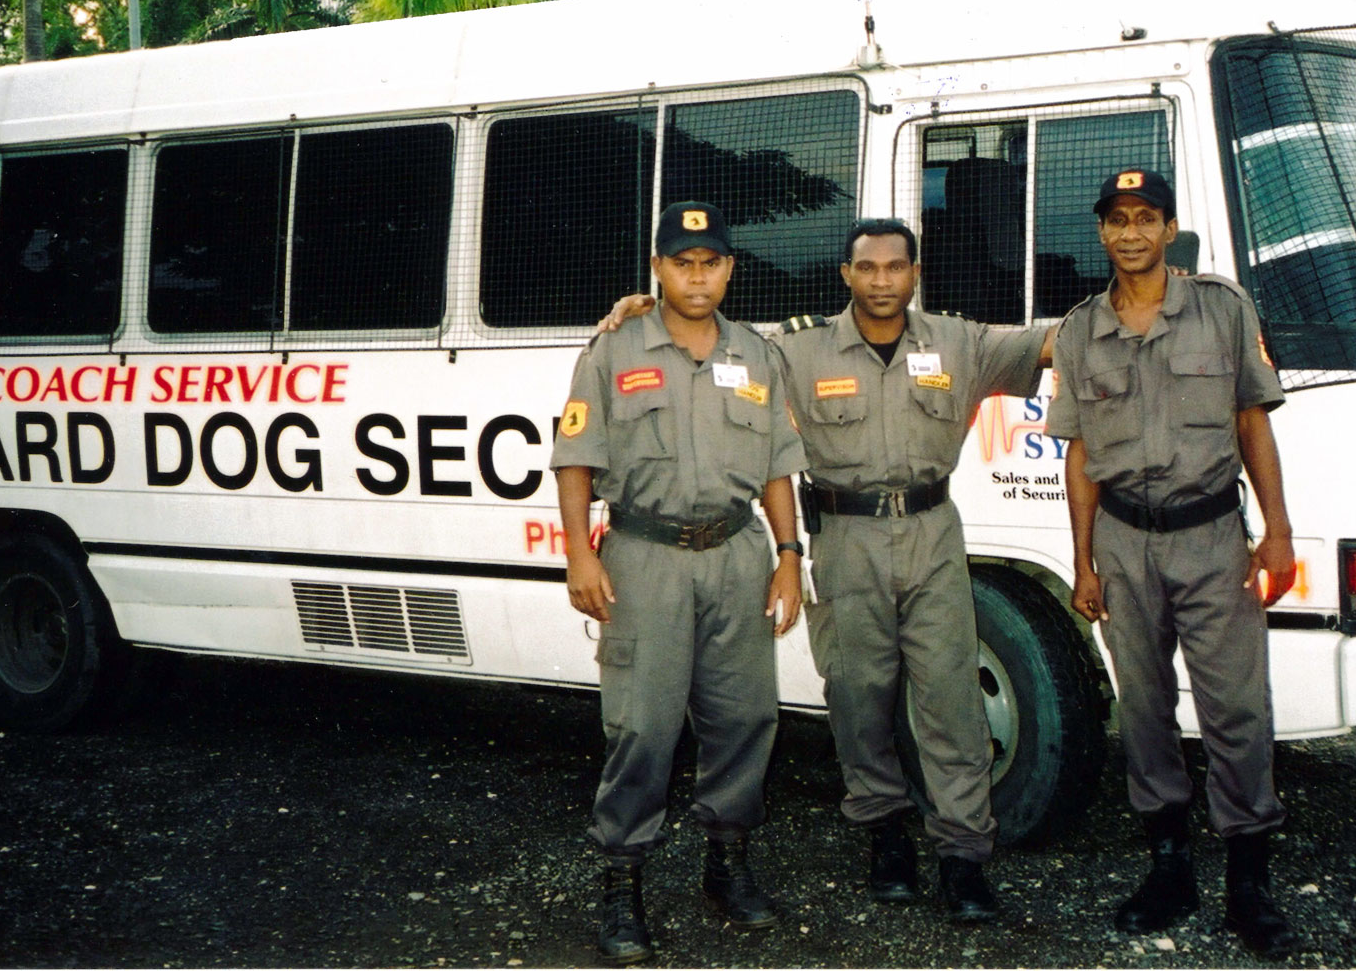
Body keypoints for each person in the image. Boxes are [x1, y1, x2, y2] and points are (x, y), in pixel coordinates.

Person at [599, 217, 1054, 924]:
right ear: (846, 274)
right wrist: (638, 312)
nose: (881, 281)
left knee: (950, 698)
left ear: (914, 272)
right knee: (856, 692)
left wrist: (1139, 292)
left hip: (933, 534)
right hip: (845, 536)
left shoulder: (960, 342)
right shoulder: (799, 348)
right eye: (866, 267)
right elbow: (712, 344)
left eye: (895, 267)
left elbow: (1055, 341)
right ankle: (886, 834)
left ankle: (964, 857)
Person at [1045, 169, 1301, 956]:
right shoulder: (1082, 330)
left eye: (1145, 218)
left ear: (1168, 227)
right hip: (1124, 540)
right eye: (1117, 220)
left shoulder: (1221, 310)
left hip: (1211, 535)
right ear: (1101, 231)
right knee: (1147, 709)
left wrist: (1280, 530)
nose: (1130, 233)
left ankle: (1248, 879)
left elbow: (1252, 423)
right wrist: (1083, 563)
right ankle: (1168, 865)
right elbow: (1081, 456)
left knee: (1236, 708)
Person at [551, 200, 807, 965]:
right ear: (657, 268)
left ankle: (726, 864)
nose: (697, 276)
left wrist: (789, 554)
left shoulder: (756, 355)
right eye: (681, 262)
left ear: (730, 267)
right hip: (645, 554)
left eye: (712, 262)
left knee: (745, 715)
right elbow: (575, 459)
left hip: (736, 554)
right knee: (642, 725)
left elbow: (776, 464)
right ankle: (622, 880)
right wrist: (578, 552)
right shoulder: (612, 346)